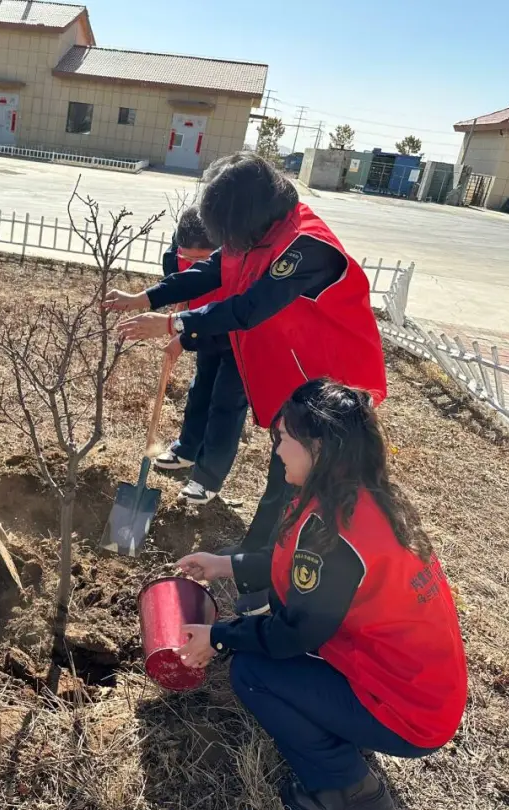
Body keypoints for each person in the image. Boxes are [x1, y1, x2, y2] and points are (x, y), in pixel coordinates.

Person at [106, 152, 387, 613]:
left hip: (332, 385)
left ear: (247, 212)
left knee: (300, 484)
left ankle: (276, 587)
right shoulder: (257, 233)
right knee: (285, 476)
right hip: (293, 375)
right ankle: (261, 560)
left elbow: (248, 308)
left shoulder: (306, 246)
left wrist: (174, 324)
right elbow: (213, 271)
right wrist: (147, 297)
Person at [176, 379, 467, 810]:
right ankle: (343, 727)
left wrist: (219, 637)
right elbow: (294, 567)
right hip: (423, 689)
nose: (276, 450)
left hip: (409, 710)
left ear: (318, 447)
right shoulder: (357, 494)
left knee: (253, 673)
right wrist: (224, 565)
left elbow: (293, 634)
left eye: (282, 438)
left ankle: (348, 791)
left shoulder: (336, 530)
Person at [153, 207, 249, 505]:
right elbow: (178, 278)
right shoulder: (176, 251)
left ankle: (208, 478)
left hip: (240, 332)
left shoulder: (242, 260)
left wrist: (184, 336)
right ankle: (187, 449)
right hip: (201, 323)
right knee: (201, 387)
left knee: (226, 403)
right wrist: (182, 304)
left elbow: (235, 314)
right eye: (187, 258)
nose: (192, 266)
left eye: (201, 261)